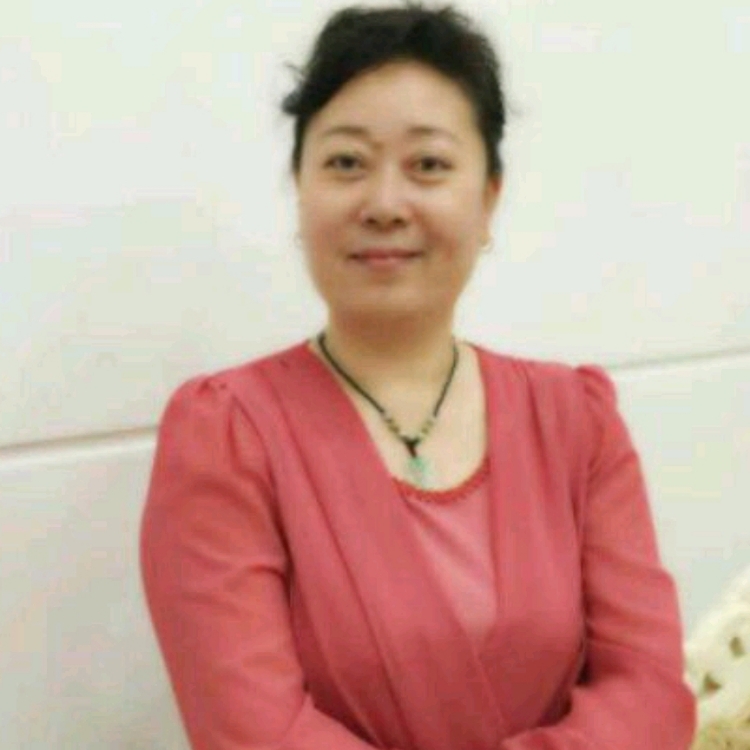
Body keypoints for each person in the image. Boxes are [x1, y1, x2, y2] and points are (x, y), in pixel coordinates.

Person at [139, 5, 697, 750]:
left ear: (488, 198)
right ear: (299, 188)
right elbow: (252, 728)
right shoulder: (226, 433)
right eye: (346, 163)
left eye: (428, 164)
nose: (384, 205)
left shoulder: (576, 420)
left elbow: (649, 696)